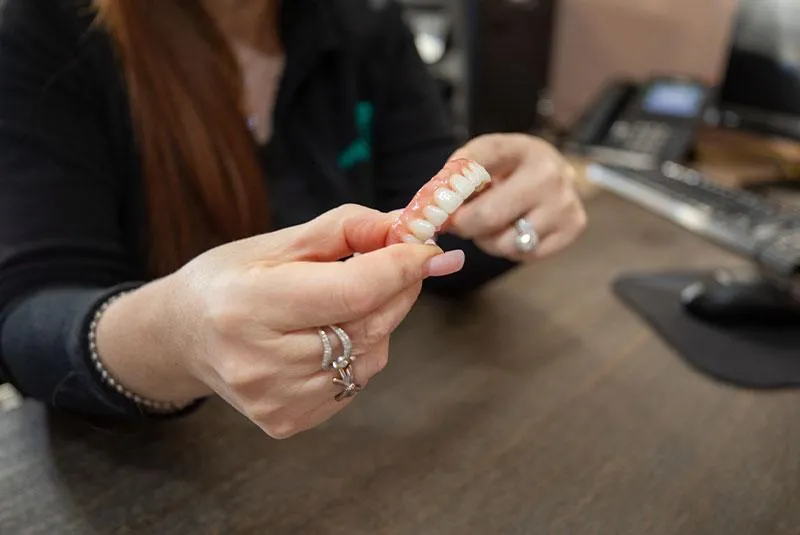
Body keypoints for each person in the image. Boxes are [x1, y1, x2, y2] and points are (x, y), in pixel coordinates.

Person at [0, 0, 586, 439]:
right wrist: (176, 337)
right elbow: (28, 323)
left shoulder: (366, 26)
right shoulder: (43, 34)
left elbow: (440, 240)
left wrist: (516, 205)